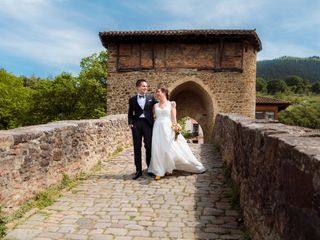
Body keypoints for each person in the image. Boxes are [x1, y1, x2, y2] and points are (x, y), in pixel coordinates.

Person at [148, 85, 206, 179]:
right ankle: (160, 170)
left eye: (159, 92)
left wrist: (176, 129)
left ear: (164, 93)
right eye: (156, 92)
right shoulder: (155, 105)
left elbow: (174, 118)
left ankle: (171, 167)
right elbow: (153, 117)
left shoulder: (171, 104)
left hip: (168, 127)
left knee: (168, 148)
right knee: (158, 148)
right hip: (157, 128)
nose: (157, 93)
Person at [128, 79, 158, 180]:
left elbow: (161, 103)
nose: (145, 88)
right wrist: (130, 123)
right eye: (143, 86)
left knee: (149, 147)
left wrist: (169, 103)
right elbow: (130, 113)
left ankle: (150, 168)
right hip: (136, 124)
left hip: (148, 124)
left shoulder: (151, 98)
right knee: (137, 148)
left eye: (146, 86)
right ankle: (138, 171)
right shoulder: (132, 99)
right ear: (138, 87)